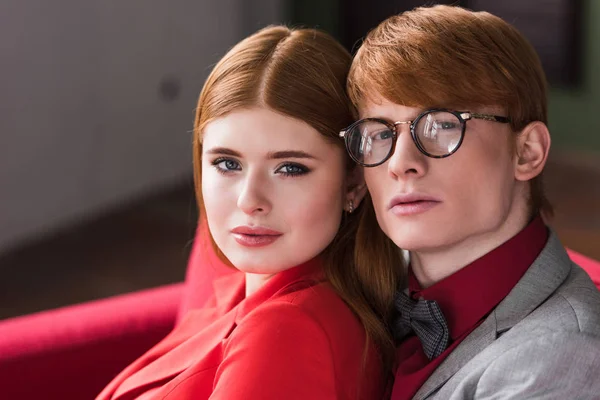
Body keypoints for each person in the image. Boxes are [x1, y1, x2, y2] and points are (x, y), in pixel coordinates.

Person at [96, 25, 400, 400]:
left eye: (290, 168)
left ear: (353, 182)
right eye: (227, 163)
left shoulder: (287, 332)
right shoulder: (244, 291)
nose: (249, 200)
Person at [341, 5, 600, 399]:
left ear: (526, 152)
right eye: (379, 134)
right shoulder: (365, 283)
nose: (401, 164)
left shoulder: (561, 360)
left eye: (442, 125)